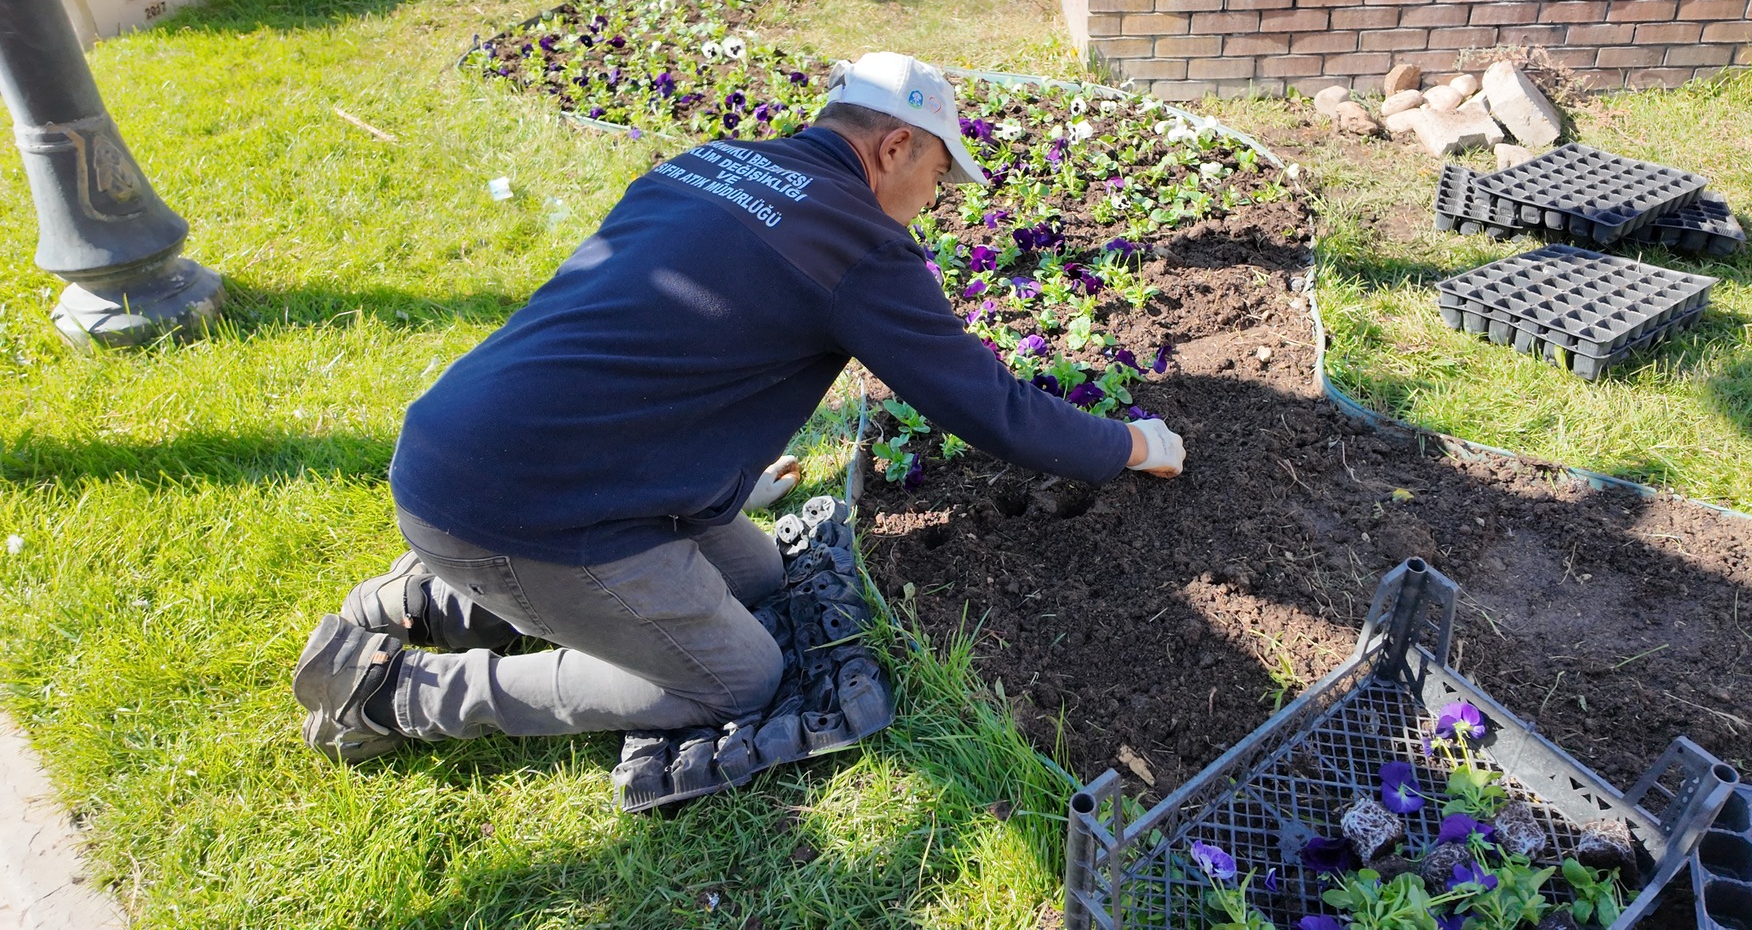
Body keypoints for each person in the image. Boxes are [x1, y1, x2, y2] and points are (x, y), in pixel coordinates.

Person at [292, 52, 1188, 762]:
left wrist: (726, 478)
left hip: (461, 444)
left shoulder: (712, 163)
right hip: (520, 507)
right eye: (940, 179)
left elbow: (654, 337)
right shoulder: (859, 247)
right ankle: (392, 693)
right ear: (894, 148)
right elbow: (991, 408)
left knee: (757, 578)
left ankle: (432, 597)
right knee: (735, 677)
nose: (934, 204)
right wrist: (1131, 445)